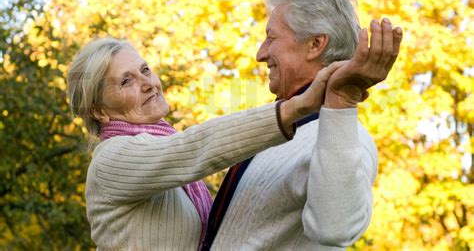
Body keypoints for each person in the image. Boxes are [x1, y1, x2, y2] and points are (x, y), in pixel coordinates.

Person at [67, 37, 346, 250]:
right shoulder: (112, 160)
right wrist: (296, 107)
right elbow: (194, 148)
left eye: (145, 70)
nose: (148, 83)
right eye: (126, 81)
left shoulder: (158, 155)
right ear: (99, 111)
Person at [203, 0, 403, 250]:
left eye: (271, 37)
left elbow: (336, 229)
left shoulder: (350, 139)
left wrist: (342, 101)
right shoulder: (278, 126)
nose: (260, 54)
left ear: (315, 45)